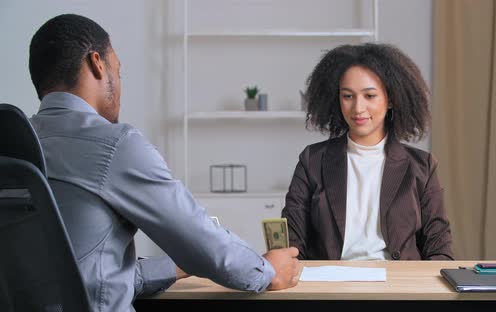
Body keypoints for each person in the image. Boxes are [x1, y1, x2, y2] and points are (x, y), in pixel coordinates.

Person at [27, 14, 299, 312]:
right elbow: (203, 244)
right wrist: (266, 271)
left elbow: (88, 277)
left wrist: (174, 267)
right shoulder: (114, 145)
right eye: (118, 71)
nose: (119, 85)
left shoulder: (15, 145)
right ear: (97, 64)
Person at [281, 43, 453, 261]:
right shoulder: (312, 161)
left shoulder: (421, 166)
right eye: (348, 96)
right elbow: (292, 242)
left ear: (391, 99)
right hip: (330, 287)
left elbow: (440, 248)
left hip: (399, 287)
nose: (358, 108)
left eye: (370, 96)